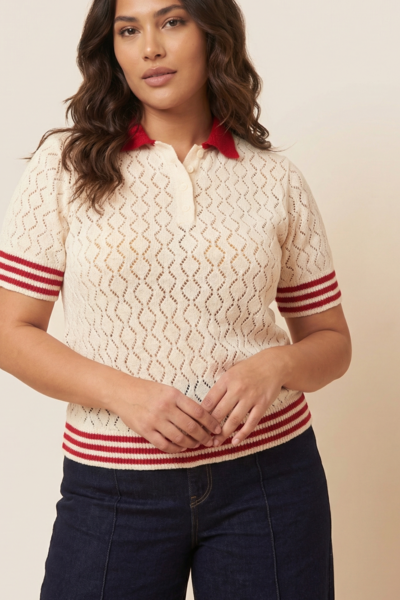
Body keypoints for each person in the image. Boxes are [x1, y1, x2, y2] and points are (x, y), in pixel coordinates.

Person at [0, 0, 351, 598]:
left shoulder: (275, 179)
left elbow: (332, 342)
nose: (150, 48)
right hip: (112, 485)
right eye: (128, 30)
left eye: (171, 22)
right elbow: (11, 332)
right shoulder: (66, 167)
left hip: (269, 482)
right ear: (111, 48)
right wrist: (124, 394)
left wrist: (277, 365)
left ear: (212, 33)